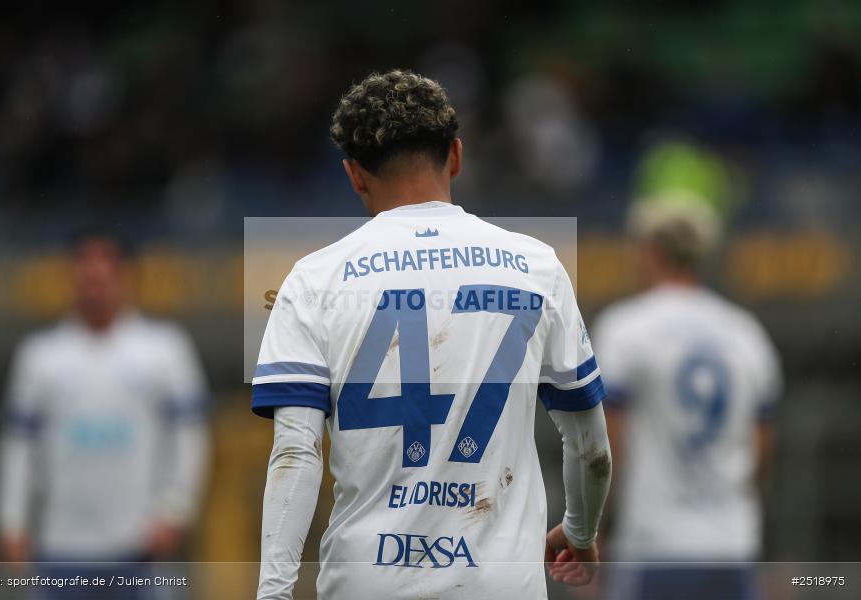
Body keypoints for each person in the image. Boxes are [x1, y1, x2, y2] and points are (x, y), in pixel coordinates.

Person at [252, 70, 611, 600]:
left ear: (354, 174)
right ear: (457, 156)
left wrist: (273, 593)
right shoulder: (537, 266)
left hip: (368, 580)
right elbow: (589, 446)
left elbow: (295, 455)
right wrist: (580, 530)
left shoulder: (312, 279)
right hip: (498, 583)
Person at [0, 230, 209, 595]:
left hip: (139, 549)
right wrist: (11, 521)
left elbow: (190, 437)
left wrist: (177, 510)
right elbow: (18, 447)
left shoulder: (164, 350)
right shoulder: (40, 357)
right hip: (61, 548)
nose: (94, 287)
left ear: (125, 278)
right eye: (86, 277)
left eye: (104, 277)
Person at [592, 197, 782, 600]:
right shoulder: (745, 332)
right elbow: (762, 442)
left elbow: (606, 444)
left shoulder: (626, 328)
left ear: (649, 249)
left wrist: (592, 530)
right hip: (732, 545)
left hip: (654, 544)